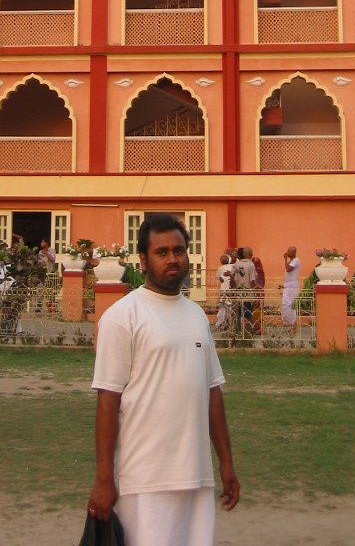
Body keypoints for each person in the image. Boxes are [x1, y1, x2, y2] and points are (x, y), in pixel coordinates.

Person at [87, 214, 239, 546]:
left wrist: (225, 462)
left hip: (196, 478)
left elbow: (212, 391)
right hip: (144, 481)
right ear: (143, 260)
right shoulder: (122, 317)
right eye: (162, 252)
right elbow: (107, 401)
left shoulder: (197, 316)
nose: (173, 258)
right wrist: (103, 479)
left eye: (179, 250)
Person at [234, 247, 257, 332]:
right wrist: (256, 291)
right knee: (249, 314)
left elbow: (233, 278)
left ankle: (238, 332)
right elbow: (252, 280)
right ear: (250, 255)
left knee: (238, 314)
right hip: (247, 294)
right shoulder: (251, 265)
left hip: (238, 293)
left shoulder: (237, 264)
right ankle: (249, 333)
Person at [281, 245, 300, 327]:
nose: (287, 252)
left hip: (293, 287)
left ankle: (294, 326)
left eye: (289, 251)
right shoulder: (290, 261)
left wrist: (285, 259)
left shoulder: (296, 260)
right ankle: (290, 324)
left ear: (293, 252)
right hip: (287, 286)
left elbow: (288, 269)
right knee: (285, 304)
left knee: (291, 306)